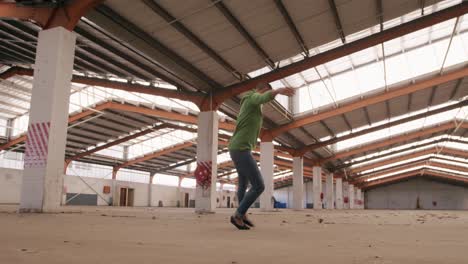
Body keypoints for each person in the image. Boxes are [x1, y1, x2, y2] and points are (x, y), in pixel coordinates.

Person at [228, 82, 295, 230]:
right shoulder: (253, 97)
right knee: (259, 185)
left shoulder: (250, 101)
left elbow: (262, 99)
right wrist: (278, 90)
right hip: (241, 148)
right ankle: (238, 215)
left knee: (243, 184)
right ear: (263, 89)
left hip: (238, 148)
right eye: (267, 92)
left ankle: (242, 213)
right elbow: (261, 98)